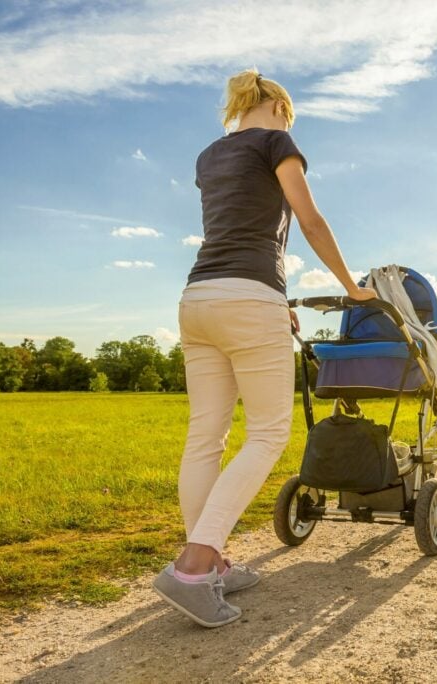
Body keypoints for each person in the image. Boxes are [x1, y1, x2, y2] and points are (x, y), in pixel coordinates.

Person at [152, 69, 376, 628]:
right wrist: (353, 288)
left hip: (198, 297)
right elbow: (309, 217)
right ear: (277, 106)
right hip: (249, 298)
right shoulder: (278, 141)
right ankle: (194, 565)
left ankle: (213, 564)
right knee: (270, 432)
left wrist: (272, 300)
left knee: (206, 436)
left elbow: (238, 221)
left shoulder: (209, 155)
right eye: (288, 113)